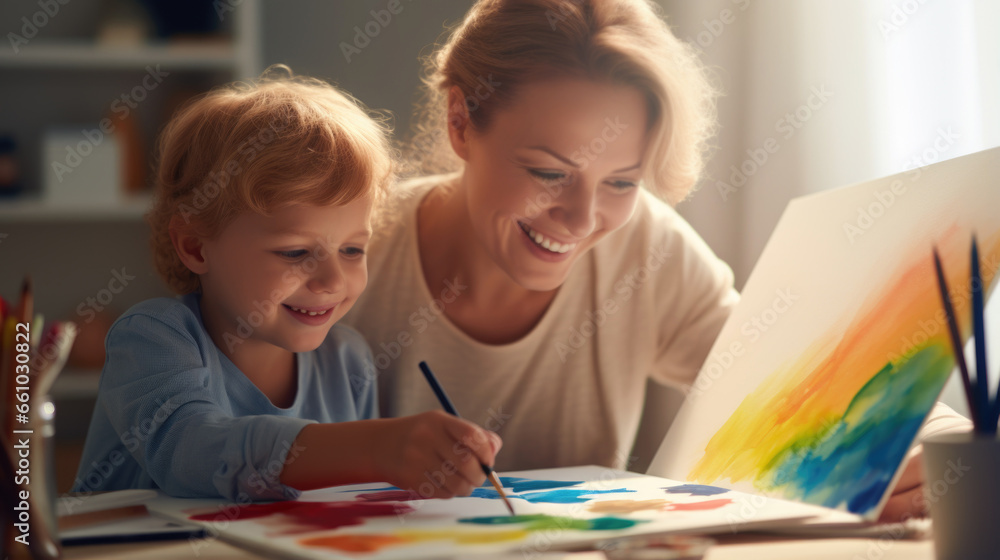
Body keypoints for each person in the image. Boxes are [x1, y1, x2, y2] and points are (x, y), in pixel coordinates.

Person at [341, 0, 969, 521]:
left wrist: (938, 445)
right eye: (549, 173)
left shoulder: (645, 247)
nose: (583, 220)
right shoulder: (344, 252)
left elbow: (803, 385)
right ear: (460, 122)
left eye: (621, 182)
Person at [73, 70, 500, 501]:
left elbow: (350, 503)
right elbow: (191, 450)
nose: (333, 280)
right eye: (295, 253)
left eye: (352, 250)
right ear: (195, 246)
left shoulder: (349, 363)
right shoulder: (151, 339)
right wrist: (373, 448)